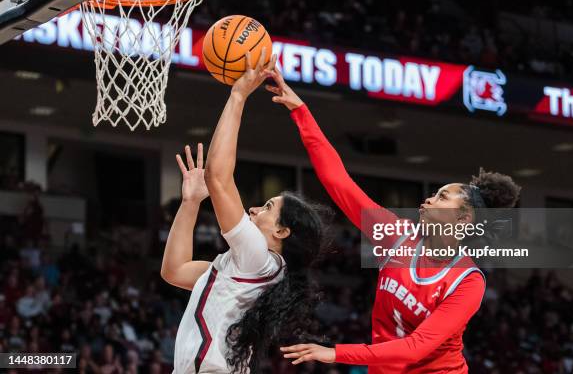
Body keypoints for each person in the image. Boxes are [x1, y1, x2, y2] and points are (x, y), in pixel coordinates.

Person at [265, 68, 521, 373]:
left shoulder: (467, 281)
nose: (427, 199)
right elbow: (338, 181)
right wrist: (300, 111)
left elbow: (416, 348)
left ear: (463, 217)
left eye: (441, 197)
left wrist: (336, 353)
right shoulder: (396, 235)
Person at [161, 50, 330, 373]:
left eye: (268, 207)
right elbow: (175, 271)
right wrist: (191, 203)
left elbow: (219, 178)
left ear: (282, 232)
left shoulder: (258, 258)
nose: (254, 208)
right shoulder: (245, 268)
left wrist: (238, 95)